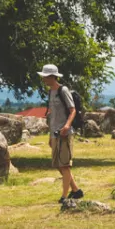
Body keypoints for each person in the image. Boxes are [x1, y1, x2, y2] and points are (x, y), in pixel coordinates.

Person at [40, 63, 81, 202]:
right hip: (55, 133)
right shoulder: (50, 92)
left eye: (45, 77)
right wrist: (51, 136)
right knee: (58, 164)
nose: (44, 79)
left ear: (52, 77)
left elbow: (73, 110)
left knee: (64, 164)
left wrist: (66, 126)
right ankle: (76, 190)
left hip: (65, 133)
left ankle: (64, 196)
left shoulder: (63, 91)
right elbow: (51, 115)